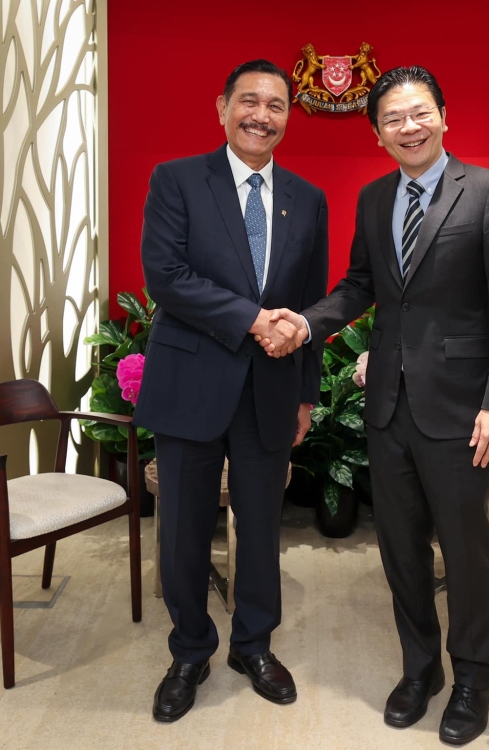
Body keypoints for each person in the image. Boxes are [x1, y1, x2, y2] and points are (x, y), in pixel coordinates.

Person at [260, 65, 489, 745]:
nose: (408, 127)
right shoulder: (376, 198)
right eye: (392, 120)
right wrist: (306, 322)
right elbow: (359, 286)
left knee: (466, 553)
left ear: (444, 115)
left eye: (419, 114)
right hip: (388, 407)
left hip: (464, 410)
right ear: (378, 134)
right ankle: (421, 669)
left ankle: (473, 676)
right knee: (402, 550)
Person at [132, 59, 328, 723]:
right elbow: (166, 275)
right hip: (190, 385)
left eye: (276, 105)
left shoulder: (308, 198)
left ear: (287, 118)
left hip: (270, 391)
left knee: (263, 529)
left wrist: (305, 393)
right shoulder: (178, 180)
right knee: (183, 532)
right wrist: (250, 319)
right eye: (249, 101)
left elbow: (310, 308)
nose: (261, 115)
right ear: (222, 107)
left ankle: (254, 645)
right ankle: (190, 651)